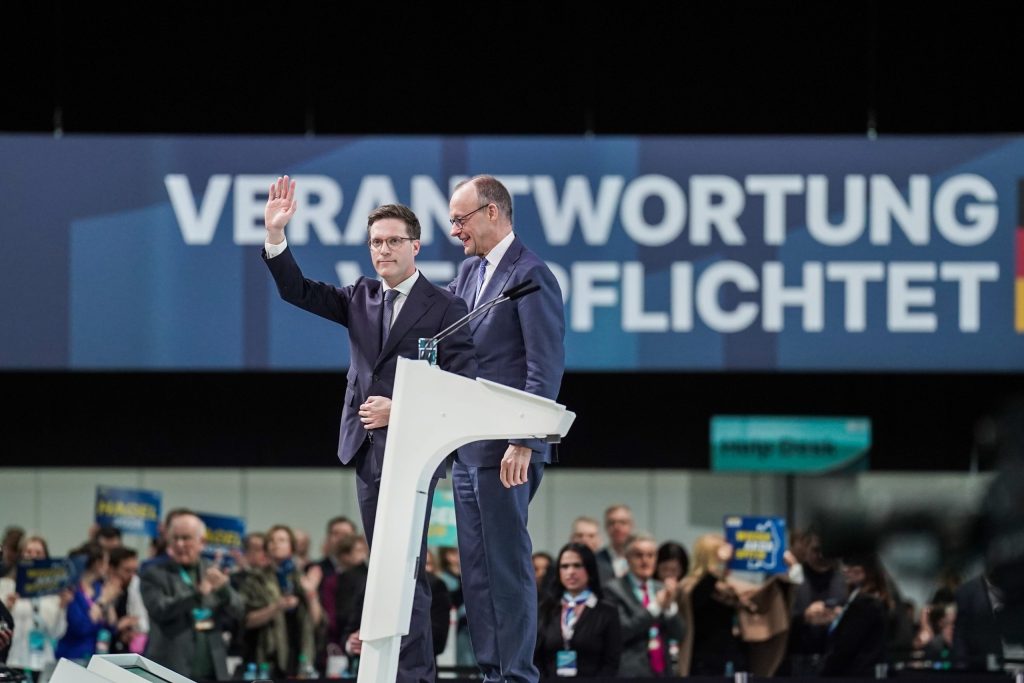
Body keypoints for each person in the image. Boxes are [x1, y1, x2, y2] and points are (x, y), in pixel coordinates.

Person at [263, 176, 477, 683]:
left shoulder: (446, 306)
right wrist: (275, 235)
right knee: (384, 565)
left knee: (406, 567)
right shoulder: (361, 295)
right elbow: (297, 290)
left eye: (393, 241)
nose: (383, 250)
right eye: (376, 242)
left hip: (415, 453)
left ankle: (414, 673)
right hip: (366, 450)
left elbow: (463, 384)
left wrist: (400, 409)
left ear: (415, 246)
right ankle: (390, 667)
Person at [446, 174, 565, 683]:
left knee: (506, 567)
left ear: (491, 212)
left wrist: (525, 439)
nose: (455, 230)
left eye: (461, 219)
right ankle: (492, 673)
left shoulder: (531, 274)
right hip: (466, 448)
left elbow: (545, 365)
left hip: (508, 450)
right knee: (476, 571)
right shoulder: (469, 272)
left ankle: (517, 676)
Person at [140, 512, 245, 681]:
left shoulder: (212, 570)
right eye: (175, 538)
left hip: (213, 670)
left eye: (186, 538)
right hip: (170, 668)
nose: (180, 544)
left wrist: (224, 591)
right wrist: (196, 595)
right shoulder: (153, 573)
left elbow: (239, 611)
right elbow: (160, 610)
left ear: (202, 542)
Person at [237, 525, 322, 677]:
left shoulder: (301, 578)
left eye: (282, 540)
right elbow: (246, 620)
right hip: (266, 655)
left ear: (292, 547)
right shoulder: (256, 578)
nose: (276, 544)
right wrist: (277, 607)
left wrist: (311, 593)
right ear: (266, 547)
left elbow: (316, 621)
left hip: (299, 653)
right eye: (271, 540)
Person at [534, 543, 621, 677]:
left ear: (590, 568)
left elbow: (611, 663)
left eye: (577, 565)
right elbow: (536, 657)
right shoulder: (545, 609)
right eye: (564, 566)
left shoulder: (607, 611)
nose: (570, 572)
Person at [604, 533, 679, 677]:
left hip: (662, 671)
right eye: (639, 555)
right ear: (627, 558)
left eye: (650, 555)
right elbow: (620, 632)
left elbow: (679, 634)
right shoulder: (613, 589)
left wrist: (669, 607)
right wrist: (655, 607)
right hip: (630, 671)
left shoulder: (660, 588)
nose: (645, 561)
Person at [0, 535, 71, 678]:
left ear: (46, 557)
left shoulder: (53, 593)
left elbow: (57, 633)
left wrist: (62, 607)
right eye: (29, 552)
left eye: (39, 553)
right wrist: (8, 607)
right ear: (21, 555)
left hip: (43, 662)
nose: (33, 556)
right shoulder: (6, 586)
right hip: (15, 659)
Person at [55, 542, 119, 664]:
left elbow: (112, 626)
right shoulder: (72, 590)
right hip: (72, 657)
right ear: (97, 563)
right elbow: (80, 627)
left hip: (96, 656)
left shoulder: (99, 587)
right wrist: (102, 602)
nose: (107, 567)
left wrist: (109, 602)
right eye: (106, 562)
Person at [596, 505, 635, 585]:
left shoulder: (643, 558)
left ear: (631, 526)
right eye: (612, 523)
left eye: (622, 522)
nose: (617, 527)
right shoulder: (596, 560)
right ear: (606, 527)